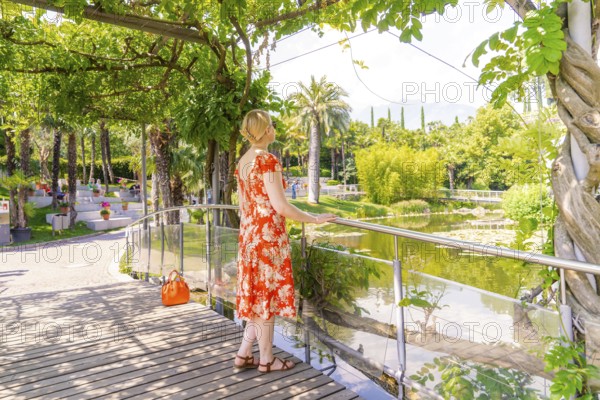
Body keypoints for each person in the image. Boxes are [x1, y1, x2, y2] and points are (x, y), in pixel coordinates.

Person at [233, 110, 336, 373]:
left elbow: (244, 206)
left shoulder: (243, 161)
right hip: (268, 238)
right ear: (266, 130)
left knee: (258, 298)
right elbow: (280, 205)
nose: (274, 129)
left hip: (249, 237)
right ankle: (266, 360)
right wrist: (313, 219)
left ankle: (244, 354)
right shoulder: (267, 160)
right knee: (265, 299)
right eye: (272, 125)